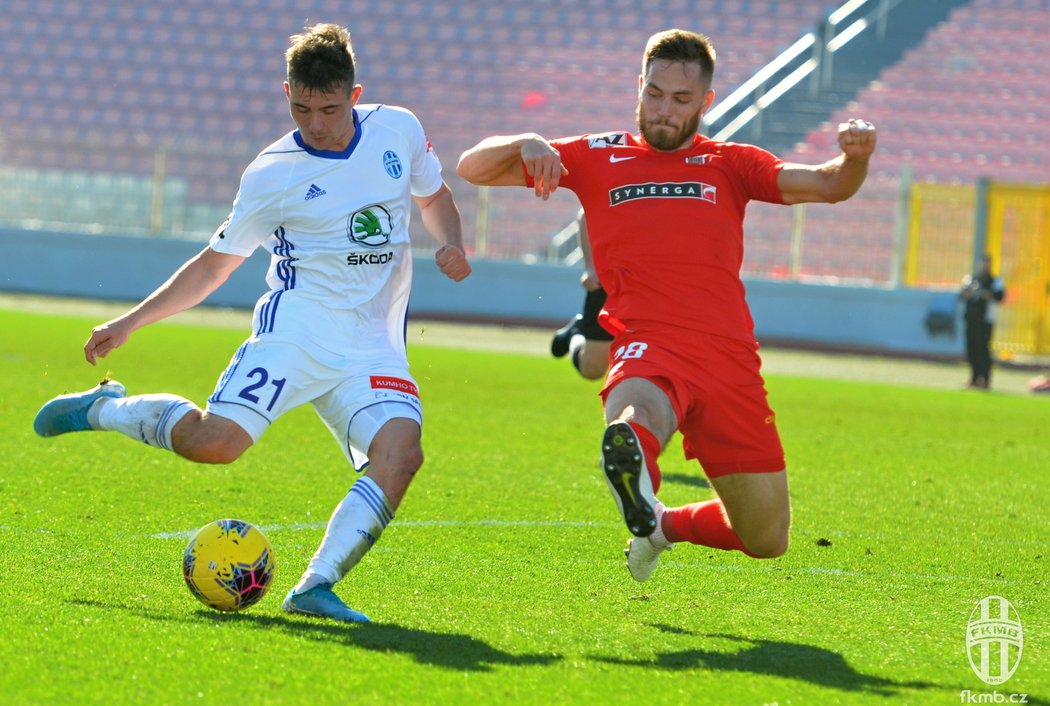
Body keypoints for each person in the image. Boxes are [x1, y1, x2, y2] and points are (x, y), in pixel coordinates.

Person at [33, 23, 471, 622]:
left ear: (356, 93)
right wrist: (132, 322)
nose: (314, 122)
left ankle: (315, 587)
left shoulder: (399, 128)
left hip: (372, 347)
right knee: (215, 446)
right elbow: (215, 265)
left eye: (329, 108)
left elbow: (433, 194)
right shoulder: (272, 173)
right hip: (293, 336)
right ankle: (105, 409)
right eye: (300, 106)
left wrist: (452, 243)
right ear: (286, 92)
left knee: (402, 454)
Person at [457, 29, 876, 581]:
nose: (663, 109)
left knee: (768, 537)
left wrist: (856, 157)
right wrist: (525, 141)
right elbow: (471, 167)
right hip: (647, 341)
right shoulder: (594, 155)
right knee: (637, 415)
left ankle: (659, 526)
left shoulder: (731, 163)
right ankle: (632, 455)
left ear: (704, 102)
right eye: (654, 93)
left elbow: (827, 185)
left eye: (681, 100)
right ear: (640, 87)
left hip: (730, 360)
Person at [550, 209, 614, 380]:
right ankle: (576, 332)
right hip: (611, 277)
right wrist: (591, 266)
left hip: (664, 281)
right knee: (592, 367)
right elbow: (587, 214)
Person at [959, 254, 1005, 390]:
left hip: (985, 321)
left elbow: (999, 296)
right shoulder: (971, 279)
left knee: (983, 350)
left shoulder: (995, 281)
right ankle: (974, 378)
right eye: (982, 262)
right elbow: (962, 295)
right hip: (971, 319)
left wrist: (983, 293)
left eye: (987, 263)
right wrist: (970, 292)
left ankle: (985, 379)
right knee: (971, 349)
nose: (984, 266)